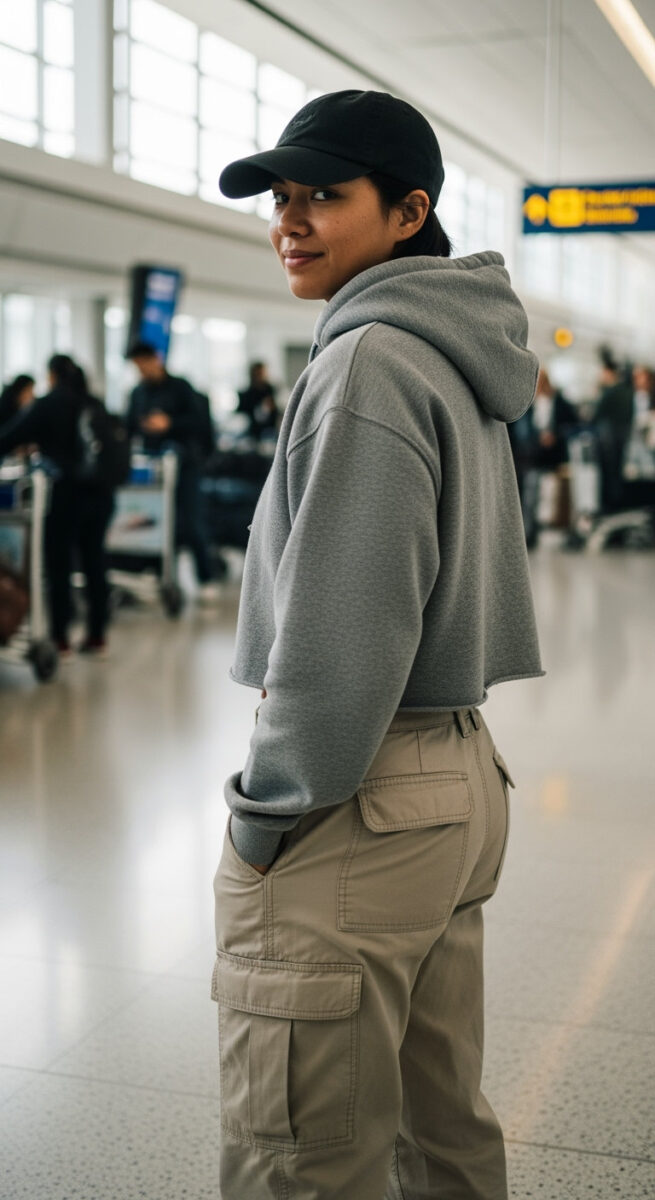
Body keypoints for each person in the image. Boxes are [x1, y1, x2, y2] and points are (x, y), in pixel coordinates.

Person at [211, 90, 544, 1200]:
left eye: (324, 197)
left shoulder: (368, 364)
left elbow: (347, 632)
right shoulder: (456, 350)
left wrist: (268, 811)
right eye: (282, 198)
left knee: (304, 1159)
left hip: (359, 793)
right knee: (436, 1134)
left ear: (409, 213)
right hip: (453, 777)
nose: (291, 221)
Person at [0, 354, 115, 656]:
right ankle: (97, 636)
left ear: (51, 375)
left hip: (65, 496)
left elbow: (8, 438)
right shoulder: (94, 402)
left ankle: (60, 639)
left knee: (59, 565)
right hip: (101, 495)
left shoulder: (49, 403)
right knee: (94, 562)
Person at [125, 342, 218, 600]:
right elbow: (129, 426)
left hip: (185, 465)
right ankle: (161, 574)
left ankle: (206, 577)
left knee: (192, 521)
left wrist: (169, 424)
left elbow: (199, 423)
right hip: (153, 469)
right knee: (157, 522)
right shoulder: (138, 393)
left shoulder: (181, 387)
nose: (141, 371)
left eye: (144, 364)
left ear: (155, 360)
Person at [508, 366, 579, 546]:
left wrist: (555, 436)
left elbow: (571, 425)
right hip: (531, 456)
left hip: (552, 456)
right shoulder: (527, 403)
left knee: (540, 493)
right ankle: (528, 531)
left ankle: (533, 530)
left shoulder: (560, 403)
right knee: (530, 493)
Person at [594, 351, 634, 511]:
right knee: (617, 473)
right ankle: (618, 504)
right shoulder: (627, 391)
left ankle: (609, 506)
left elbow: (597, 414)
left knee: (609, 475)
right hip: (623, 438)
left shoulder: (609, 392)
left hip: (608, 441)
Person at [237, 361, 280, 441]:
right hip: (252, 435)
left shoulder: (272, 391)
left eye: (262, 373)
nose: (260, 376)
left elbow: (278, 412)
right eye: (257, 374)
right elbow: (242, 416)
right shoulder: (246, 394)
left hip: (271, 433)